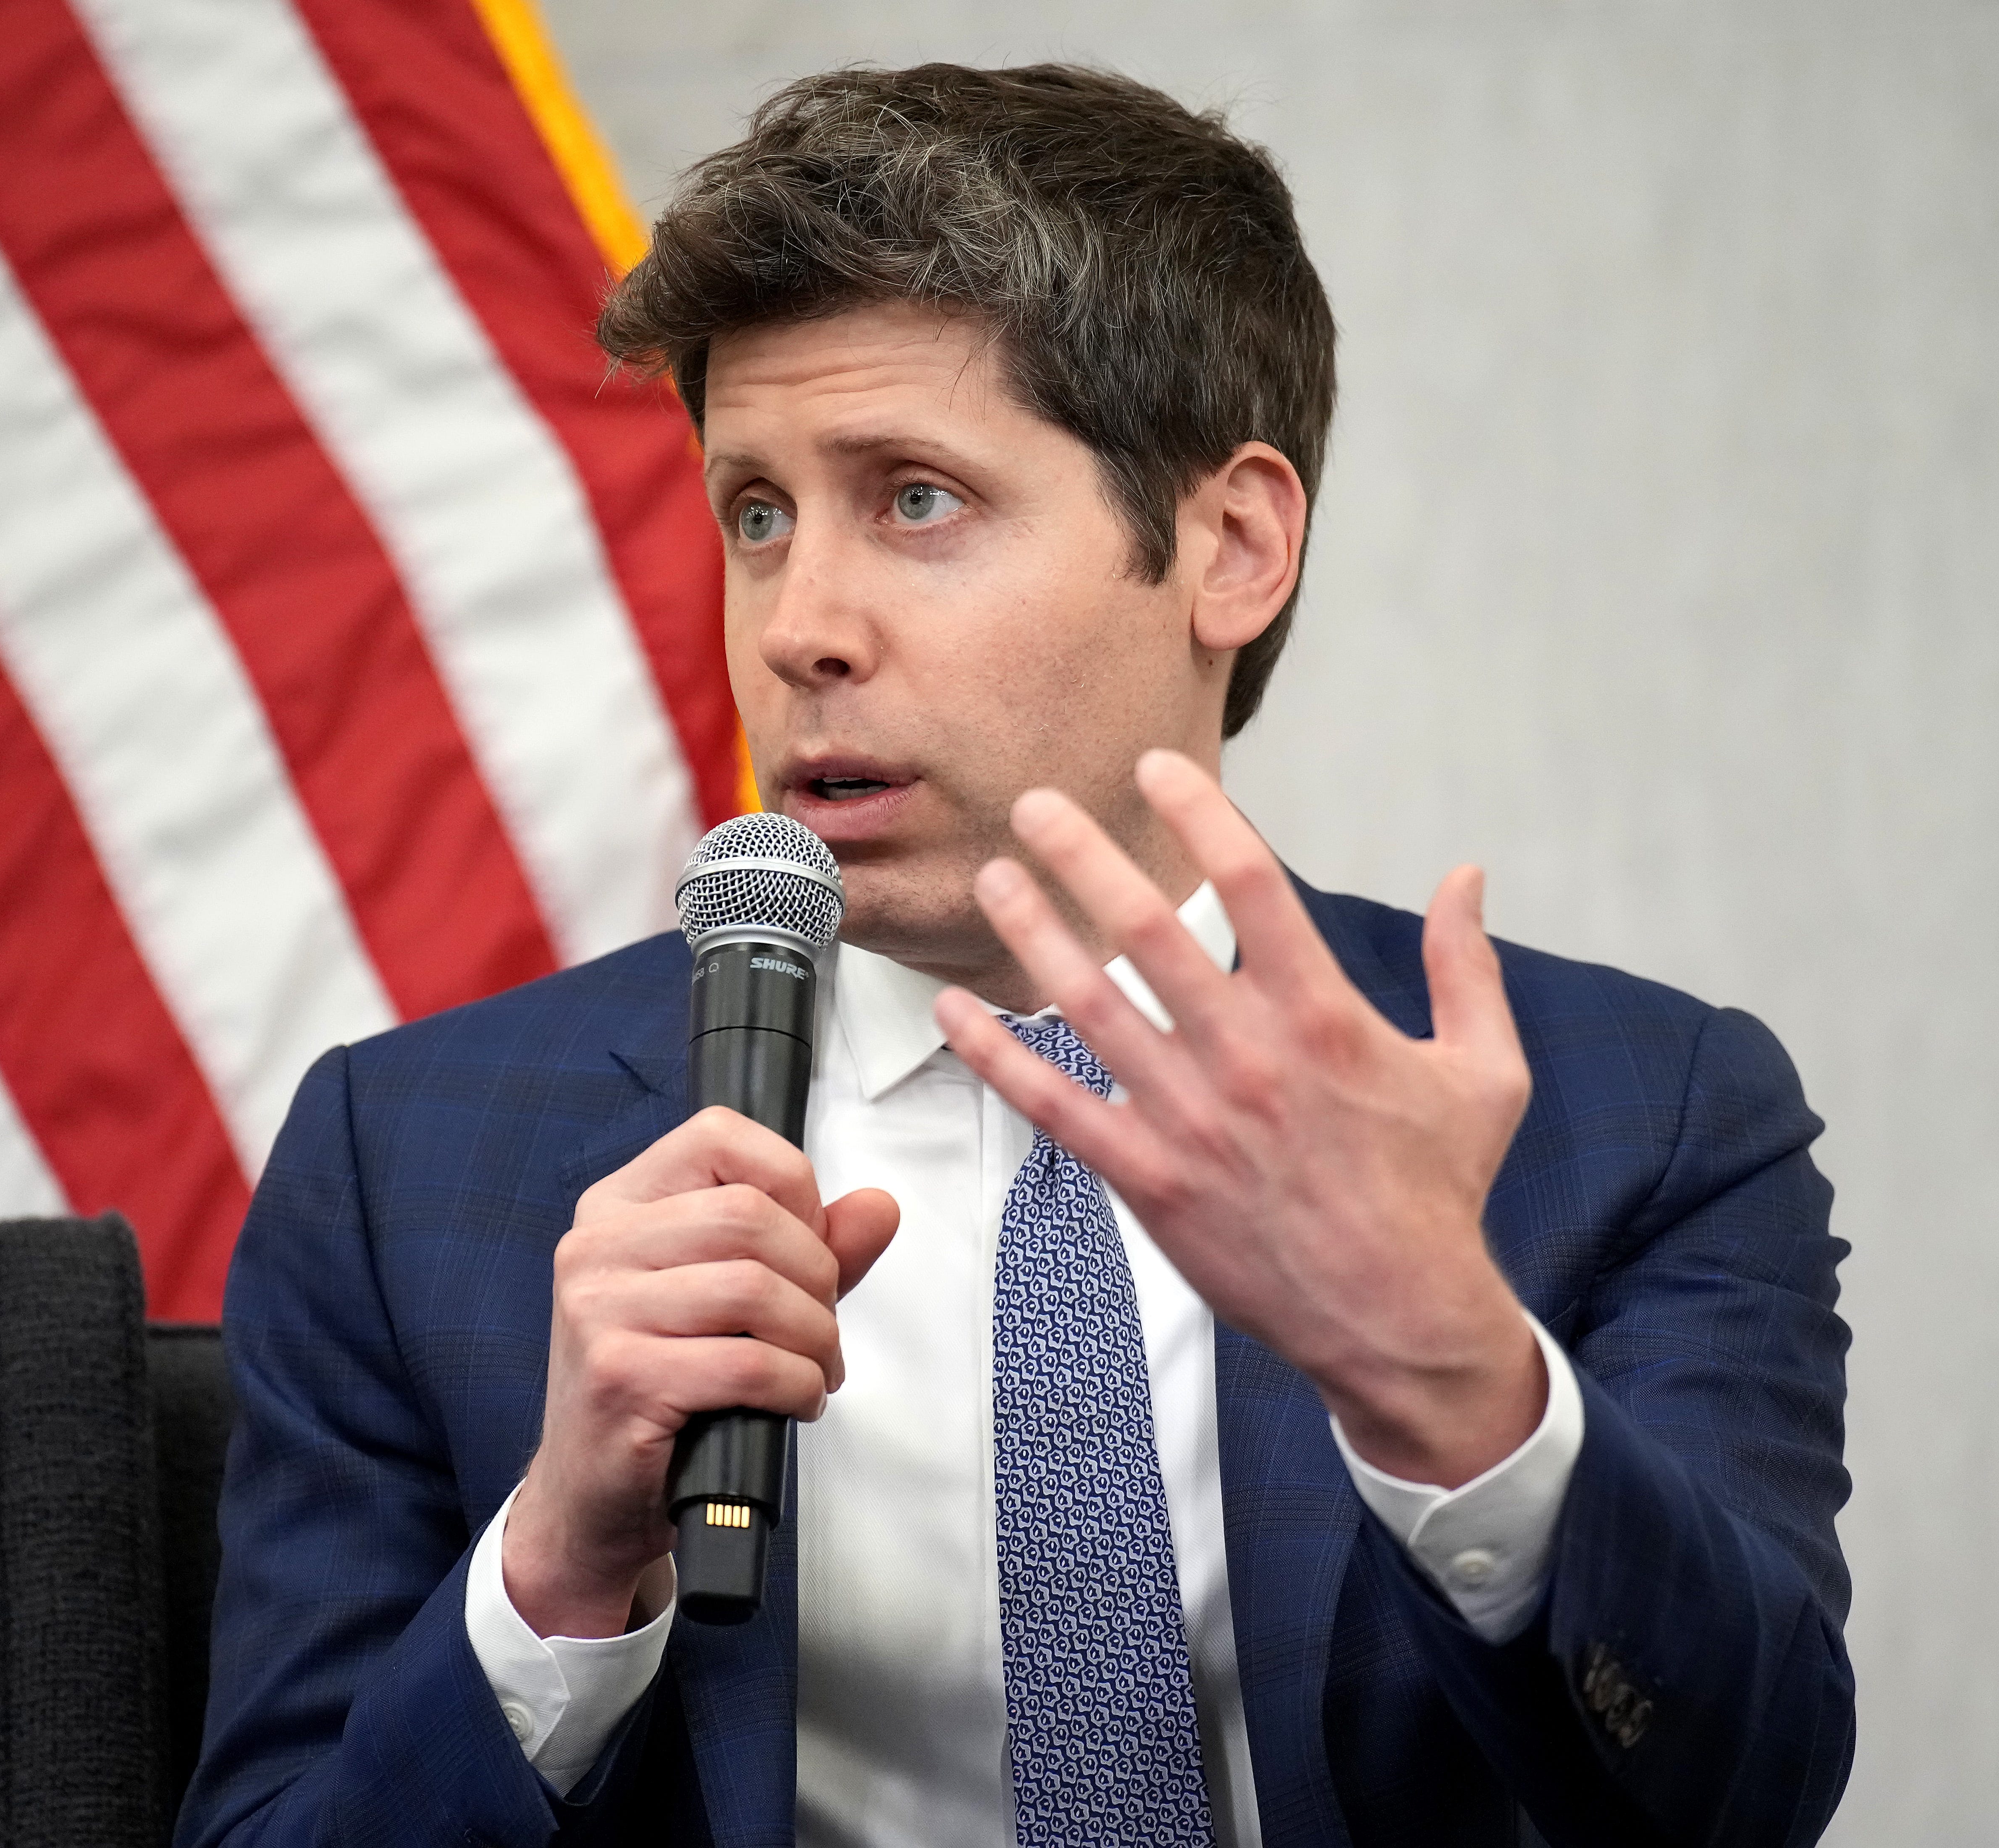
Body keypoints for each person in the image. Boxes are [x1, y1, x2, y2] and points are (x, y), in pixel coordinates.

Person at [174, 62, 1852, 1848]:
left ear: (1229, 547)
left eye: (914, 499)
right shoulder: (408, 1160)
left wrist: (1460, 1386)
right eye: (757, 512)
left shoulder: (1637, 1121)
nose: (799, 628)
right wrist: (559, 1577)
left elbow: (1739, 1796)